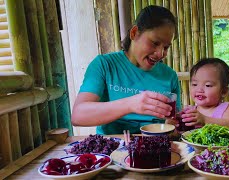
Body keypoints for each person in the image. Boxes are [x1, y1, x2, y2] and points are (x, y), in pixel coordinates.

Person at [71, 5, 181, 135]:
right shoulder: (105, 65)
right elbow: (78, 115)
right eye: (155, 43)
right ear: (134, 33)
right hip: (112, 147)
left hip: (156, 146)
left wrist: (180, 122)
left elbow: (174, 122)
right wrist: (130, 104)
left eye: (166, 47)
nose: (160, 53)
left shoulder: (170, 76)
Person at [171, 58, 229, 129]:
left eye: (208, 85)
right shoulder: (190, 112)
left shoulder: (226, 108)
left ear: (223, 91)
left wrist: (205, 120)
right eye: (194, 84)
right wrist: (173, 125)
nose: (199, 89)